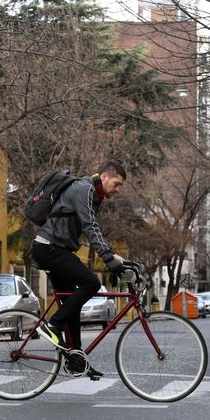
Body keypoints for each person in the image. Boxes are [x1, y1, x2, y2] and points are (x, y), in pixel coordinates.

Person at [32, 161, 127, 379]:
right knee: (91, 283)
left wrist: (112, 255)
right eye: (116, 183)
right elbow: (89, 226)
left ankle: (77, 360)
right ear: (104, 176)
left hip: (56, 249)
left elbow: (92, 227)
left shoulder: (92, 194)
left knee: (71, 309)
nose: (118, 189)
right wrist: (108, 257)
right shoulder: (84, 189)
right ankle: (52, 325)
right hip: (49, 248)